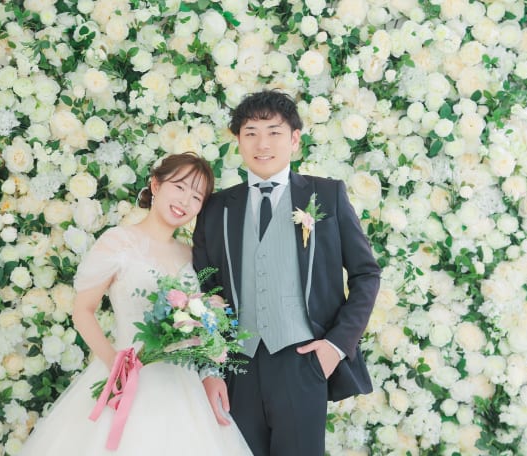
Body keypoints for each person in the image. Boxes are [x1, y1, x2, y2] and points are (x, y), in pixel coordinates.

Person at [20, 153, 252, 455]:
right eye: (179, 187)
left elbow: (202, 323)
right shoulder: (118, 241)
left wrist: (210, 372)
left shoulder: (192, 255)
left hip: (182, 387)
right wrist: (115, 365)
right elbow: (83, 311)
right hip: (126, 375)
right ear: (156, 185)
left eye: (197, 197)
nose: (185, 201)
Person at [192, 90, 380, 456]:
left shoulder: (327, 195)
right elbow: (204, 290)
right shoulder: (216, 208)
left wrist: (335, 346)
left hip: (303, 362)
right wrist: (210, 368)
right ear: (238, 141)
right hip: (237, 367)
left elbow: (366, 274)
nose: (262, 144)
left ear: (294, 140)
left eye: (274, 132)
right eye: (251, 133)